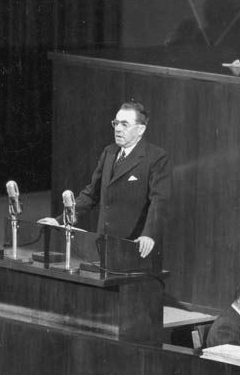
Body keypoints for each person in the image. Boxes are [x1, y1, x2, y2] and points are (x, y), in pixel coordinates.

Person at [64, 101, 171, 259]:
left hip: (134, 246)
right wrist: (60, 220)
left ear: (141, 129)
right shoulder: (109, 152)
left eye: (125, 124)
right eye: (116, 123)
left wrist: (148, 234)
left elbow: (159, 201)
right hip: (103, 245)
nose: (118, 129)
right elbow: (91, 194)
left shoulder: (156, 157)